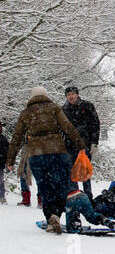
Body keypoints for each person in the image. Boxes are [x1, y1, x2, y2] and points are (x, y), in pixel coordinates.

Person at [6, 86, 86, 233]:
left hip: (36, 154)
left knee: (44, 187)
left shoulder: (26, 113)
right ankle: (57, 212)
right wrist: (80, 145)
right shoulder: (54, 108)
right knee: (61, 184)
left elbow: (17, 137)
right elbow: (67, 127)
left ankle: (50, 218)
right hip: (57, 152)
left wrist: (10, 160)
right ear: (45, 95)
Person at [62, 86, 100, 202]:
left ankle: (88, 197)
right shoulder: (64, 109)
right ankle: (75, 196)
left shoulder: (87, 106)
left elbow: (95, 124)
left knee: (85, 172)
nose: (71, 96)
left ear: (77, 94)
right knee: (71, 171)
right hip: (69, 145)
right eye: (68, 95)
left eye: (72, 94)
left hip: (85, 144)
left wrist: (94, 143)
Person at [16, 136, 34, 207]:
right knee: (23, 173)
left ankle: (41, 200)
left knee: (40, 176)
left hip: (39, 146)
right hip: (28, 148)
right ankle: (26, 199)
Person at [0, 121, 9, 204]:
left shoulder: (3, 139)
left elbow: (6, 151)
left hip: (0, 163)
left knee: (1, 181)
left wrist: (6, 161)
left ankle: (2, 197)